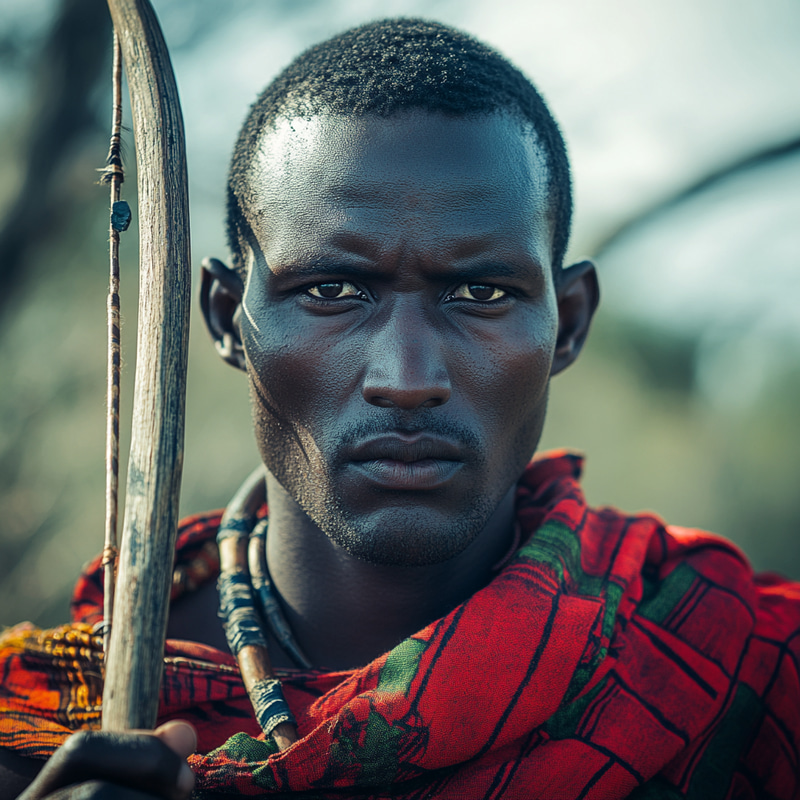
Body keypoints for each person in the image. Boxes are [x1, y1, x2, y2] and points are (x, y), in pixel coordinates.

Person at [1, 17, 798, 800]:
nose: (408, 378)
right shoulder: (39, 722)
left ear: (570, 322)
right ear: (225, 318)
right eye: (332, 291)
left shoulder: (749, 664)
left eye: (480, 293)